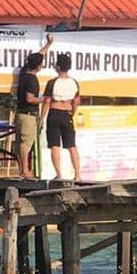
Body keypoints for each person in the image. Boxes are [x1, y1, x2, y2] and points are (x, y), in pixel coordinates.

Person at [15, 34, 55, 178]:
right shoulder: (32, 80)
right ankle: (25, 171)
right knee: (26, 144)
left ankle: (22, 169)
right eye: (41, 63)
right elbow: (30, 99)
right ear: (38, 66)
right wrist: (44, 100)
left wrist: (48, 44)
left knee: (20, 143)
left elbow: (39, 55)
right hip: (28, 115)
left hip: (20, 113)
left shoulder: (24, 72)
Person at [40, 53, 81, 181]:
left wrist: (41, 119)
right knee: (71, 145)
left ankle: (59, 174)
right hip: (67, 113)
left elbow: (46, 101)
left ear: (57, 67)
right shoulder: (74, 82)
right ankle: (78, 175)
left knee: (55, 145)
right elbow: (76, 101)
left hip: (54, 113)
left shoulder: (52, 82)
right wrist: (72, 113)